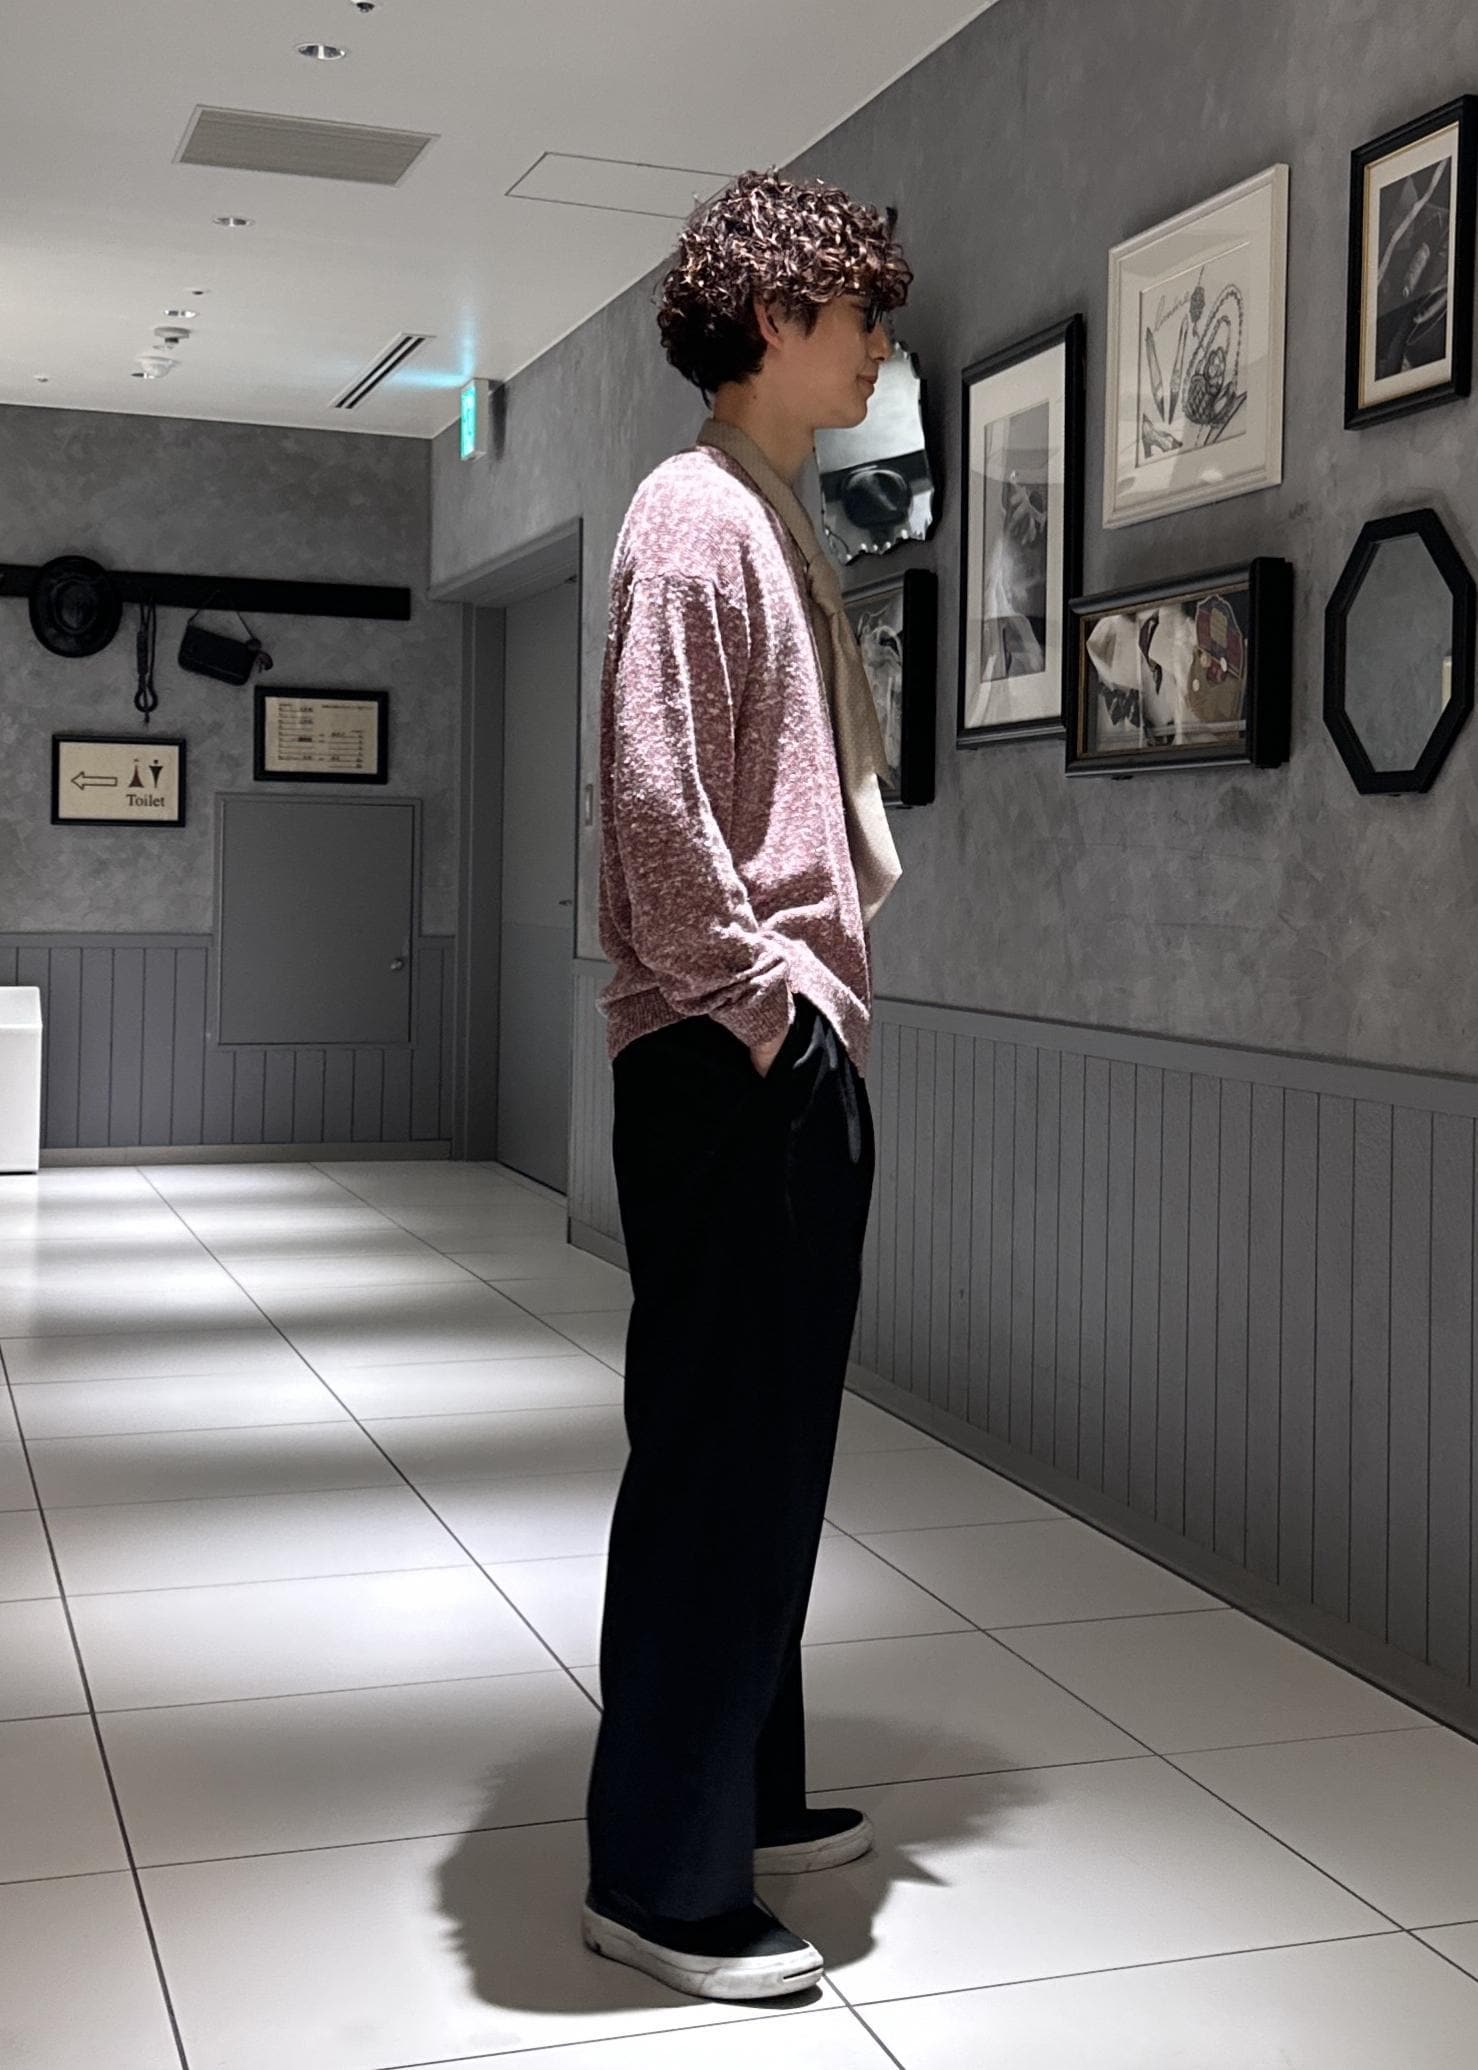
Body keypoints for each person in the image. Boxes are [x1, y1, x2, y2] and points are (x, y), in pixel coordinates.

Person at [583, 166, 912, 2001]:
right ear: (773, 320)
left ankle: (743, 1801)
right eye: (859, 316)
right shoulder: (692, 513)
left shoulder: (765, 515)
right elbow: (657, 809)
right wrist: (767, 1004)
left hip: (767, 1040)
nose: (878, 350)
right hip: (734, 1054)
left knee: (765, 1453)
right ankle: (660, 1874)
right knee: (721, 1461)